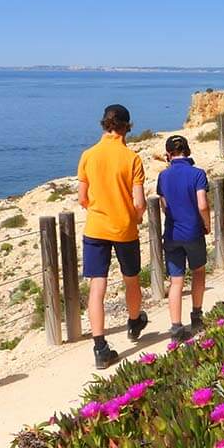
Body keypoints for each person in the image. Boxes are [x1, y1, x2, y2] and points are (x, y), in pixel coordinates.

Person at [77, 104, 148, 368]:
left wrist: (98, 210)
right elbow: (139, 202)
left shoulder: (88, 155)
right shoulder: (131, 158)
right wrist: (136, 216)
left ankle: (100, 347)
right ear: (127, 126)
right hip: (124, 228)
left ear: (104, 125)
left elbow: (81, 197)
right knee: (131, 279)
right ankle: (133, 322)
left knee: (97, 287)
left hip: (95, 228)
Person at [156, 134, 210, 341]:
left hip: (172, 232)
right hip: (193, 231)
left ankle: (176, 327)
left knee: (175, 280)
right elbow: (202, 204)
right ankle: (196, 316)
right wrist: (206, 223)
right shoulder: (198, 174)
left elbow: (164, 205)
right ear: (187, 151)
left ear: (168, 155)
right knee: (198, 272)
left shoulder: (163, 176)